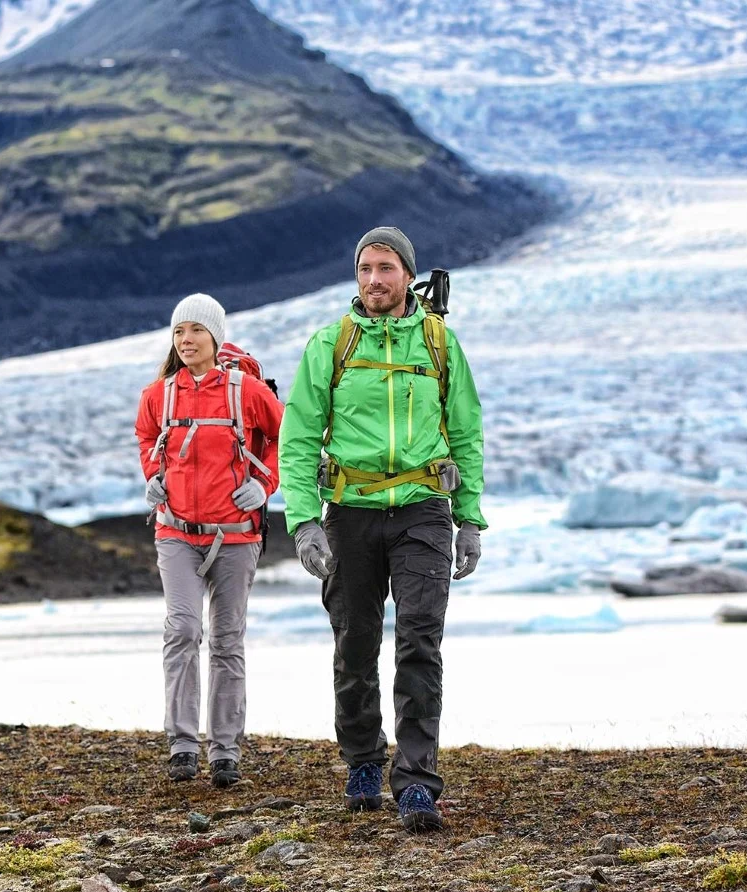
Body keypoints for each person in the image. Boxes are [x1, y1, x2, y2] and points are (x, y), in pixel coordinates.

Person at [277, 227, 486, 831]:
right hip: (350, 511)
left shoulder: (440, 344)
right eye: (365, 268)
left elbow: (466, 433)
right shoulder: (330, 345)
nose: (374, 279)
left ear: (407, 275)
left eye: (386, 268)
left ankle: (417, 780)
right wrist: (304, 522)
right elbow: (297, 440)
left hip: (423, 507)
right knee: (355, 642)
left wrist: (469, 517)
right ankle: (364, 760)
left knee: (420, 640)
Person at [135, 293, 283, 788]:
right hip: (175, 531)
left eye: (196, 330)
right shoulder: (160, 394)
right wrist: (153, 474)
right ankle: (181, 745)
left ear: (216, 337)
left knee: (226, 639)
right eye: (179, 332)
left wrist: (264, 484)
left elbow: (290, 437)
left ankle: (224, 751)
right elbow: (146, 437)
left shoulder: (246, 392)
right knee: (181, 629)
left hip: (237, 535)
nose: (186, 340)